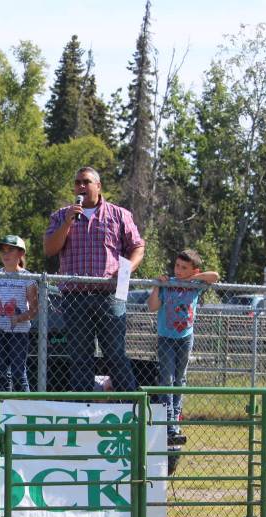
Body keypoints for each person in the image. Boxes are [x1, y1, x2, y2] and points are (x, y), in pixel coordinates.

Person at [43, 166, 145, 392]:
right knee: (80, 357)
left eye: (86, 182)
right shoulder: (61, 215)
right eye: (77, 182)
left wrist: (125, 269)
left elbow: (138, 247)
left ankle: (130, 406)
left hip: (110, 295)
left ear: (98, 186)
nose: (81, 186)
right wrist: (67, 223)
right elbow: (50, 249)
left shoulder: (119, 214)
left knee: (115, 354)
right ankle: (83, 408)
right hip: (74, 296)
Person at [147, 249, 219, 464]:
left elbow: (214, 276)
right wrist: (157, 286)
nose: (178, 270)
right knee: (167, 380)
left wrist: (193, 277)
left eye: (184, 267)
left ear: (193, 270)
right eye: (177, 266)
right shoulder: (167, 284)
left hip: (185, 338)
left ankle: (175, 422)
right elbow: (152, 307)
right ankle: (168, 424)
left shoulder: (195, 284)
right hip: (166, 338)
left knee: (180, 380)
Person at [0, 236, 37, 392]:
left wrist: (18, 318)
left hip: (19, 333)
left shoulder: (29, 278)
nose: (5, 254)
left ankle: (26, 408)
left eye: (10, 250)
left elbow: (34, 310)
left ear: (20, 253)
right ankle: (6, 409)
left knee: (19, 373)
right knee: (3, 374)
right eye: (2, 251)